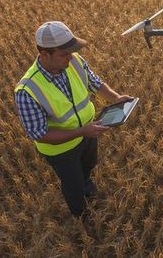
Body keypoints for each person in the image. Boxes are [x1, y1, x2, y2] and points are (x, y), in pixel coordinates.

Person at [14, 21, 132, 219]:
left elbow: (94, 83)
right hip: (60, 149)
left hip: (88, 132)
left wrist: (116, 98)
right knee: (72, 184)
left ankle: (86, 185)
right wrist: (81, 131)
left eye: (71, 51)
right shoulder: (27, 91)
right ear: (44, 54)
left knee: (89, 165)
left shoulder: (73, 61)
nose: (70, 57)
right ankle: (80, 213)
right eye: (64, 54)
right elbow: (39, 134)